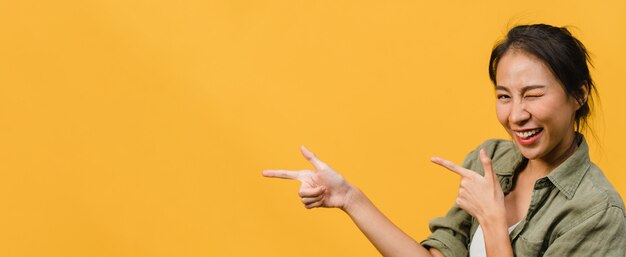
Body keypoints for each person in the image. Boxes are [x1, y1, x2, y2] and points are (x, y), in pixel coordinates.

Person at [262, 24, 626, 257]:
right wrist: (347, 197)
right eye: (504, 96)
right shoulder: (491, 162)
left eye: (532, 95)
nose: (516, 115)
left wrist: (494, 224)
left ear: (578, 95)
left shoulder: (597, 214)